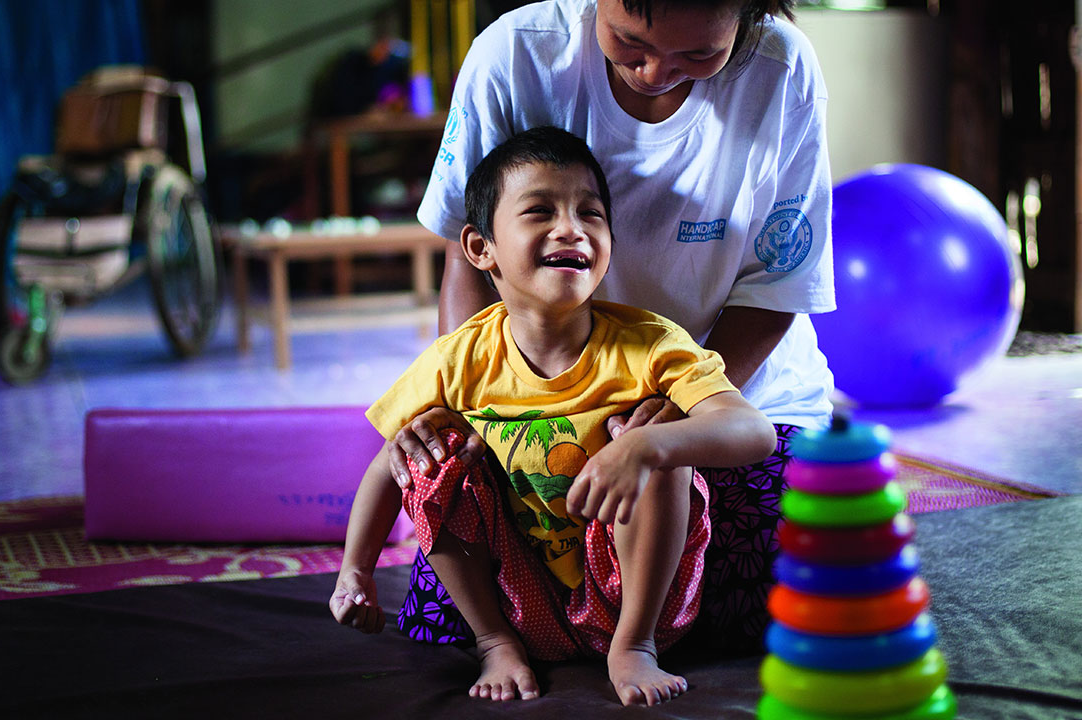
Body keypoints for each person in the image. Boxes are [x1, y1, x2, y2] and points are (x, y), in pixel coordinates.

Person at [391, 0, 835, 652]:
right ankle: (582, 631)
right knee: (452, 562)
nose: (656, 72)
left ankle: (621, 635)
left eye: (697, 57)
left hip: (720, 390)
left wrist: (681, 415)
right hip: (537, 401)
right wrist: (481, 410)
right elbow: (469, 254)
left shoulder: (781, 71)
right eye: (630, 43)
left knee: (794, 573)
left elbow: (777, 284)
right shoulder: (515, 57)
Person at [330, 127, 777, 706]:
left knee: (664, 450)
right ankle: (494, 644)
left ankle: (633, 650)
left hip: (631, 598)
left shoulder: (648, 343)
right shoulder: (458, 359)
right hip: (523, 603)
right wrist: (354, 573)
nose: (571, 228)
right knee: (428, 455)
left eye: (590, 214)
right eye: (540, 211)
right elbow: (388, 467)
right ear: (479, 248)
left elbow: (753, 430)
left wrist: (647, 448)